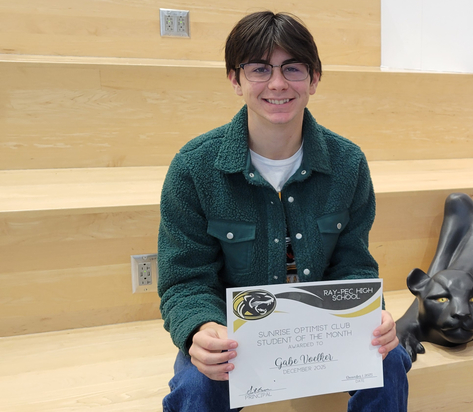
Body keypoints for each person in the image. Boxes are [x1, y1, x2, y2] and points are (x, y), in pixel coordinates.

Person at [157, 11, 411, 411]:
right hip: (235, 335)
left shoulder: (348, 163)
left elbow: (354, 265)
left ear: (314, 79)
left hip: (324, 329)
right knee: (196, 388)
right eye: (259, 69)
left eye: (292, 68)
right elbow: (184, 281)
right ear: (234, 80)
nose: (277, 83)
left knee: (391, 360)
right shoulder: (193, 168)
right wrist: (201, 330)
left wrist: (370, 315)